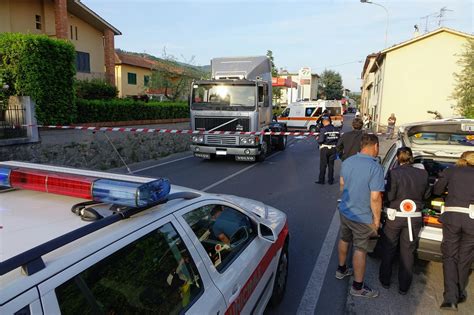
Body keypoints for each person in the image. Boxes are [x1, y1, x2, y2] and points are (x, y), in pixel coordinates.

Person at [336, 134, 384, 298]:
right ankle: (357, 287)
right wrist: (376, 220)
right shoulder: (375, 167)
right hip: (362, 216)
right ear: (375, 146)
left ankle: (341, 269)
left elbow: (342, 185)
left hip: (345, 210)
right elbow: (375, 197)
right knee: (360, 249)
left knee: (344, 238)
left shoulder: (348, 161)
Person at [379, 147, 431, 295]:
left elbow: (389, 196)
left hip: (395, 217)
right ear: (411, 158)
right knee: (408, 251)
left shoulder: (394, 173)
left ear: (398, 158)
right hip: (413, 218)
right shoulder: (423, 174)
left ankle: (385, 280)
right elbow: (426, 194)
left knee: (389, 248)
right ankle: (404, 286)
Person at [433, 151, 474, 311]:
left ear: (461, 159)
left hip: (453, 218)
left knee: (450, 256)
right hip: (472, 221)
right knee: (465, 258)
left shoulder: (451, 171)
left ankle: (450, 298)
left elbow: (437, 190)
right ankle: (458, 292)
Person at [315, 115, 340, 185]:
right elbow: (339, 139)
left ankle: (321, 180)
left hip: (325, 149)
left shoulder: (323, 129)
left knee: (323, 165)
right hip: (333, 148)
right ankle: (330, 180)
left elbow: (321, 140)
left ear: (324, 121)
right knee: (331, 165)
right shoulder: (336, 129)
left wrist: (317, 139)